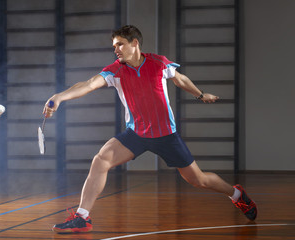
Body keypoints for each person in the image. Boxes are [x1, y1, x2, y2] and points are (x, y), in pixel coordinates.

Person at [43, 25, 257, 233]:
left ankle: (236, 194)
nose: (115, 49)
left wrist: (200, 95)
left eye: (120, 44)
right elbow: (89, 84)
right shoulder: (115, 70)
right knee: (101, 160)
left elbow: (180, 79)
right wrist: (59, 97)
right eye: (114, 46)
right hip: (136, 134)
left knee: (198, 180)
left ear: (134, 43)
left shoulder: (158, 63)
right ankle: (82, 217)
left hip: (166, 136)